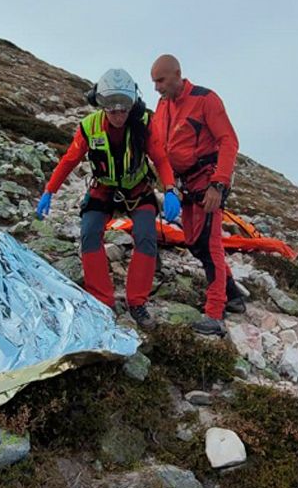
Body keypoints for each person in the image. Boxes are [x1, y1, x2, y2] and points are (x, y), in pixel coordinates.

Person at [35, 69, 180, 328]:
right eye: (112, 109)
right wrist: (49, 190)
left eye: (124, 108)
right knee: (90, 233)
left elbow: (160, 158)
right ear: (101, 105)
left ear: (131, 104)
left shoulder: (144, 124)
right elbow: (70, 160)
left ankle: (137, 302)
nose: (119, 115)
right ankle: (102, 300)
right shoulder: (90, 127)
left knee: (147, 236)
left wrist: (170, 189)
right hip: (103, 189)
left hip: (138, 190)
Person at [150, 55, 244, 336]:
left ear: (177, 74)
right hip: (184, 185)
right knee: (194, 242)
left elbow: (229, 141)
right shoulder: (162, 105)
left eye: (161, 80)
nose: (156, 87)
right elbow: (159, 145)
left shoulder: (206, 100)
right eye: (154, 81)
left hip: (208, 184)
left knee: (211, 244)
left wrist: (219, 185)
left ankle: (215, 314)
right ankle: (234, 295)